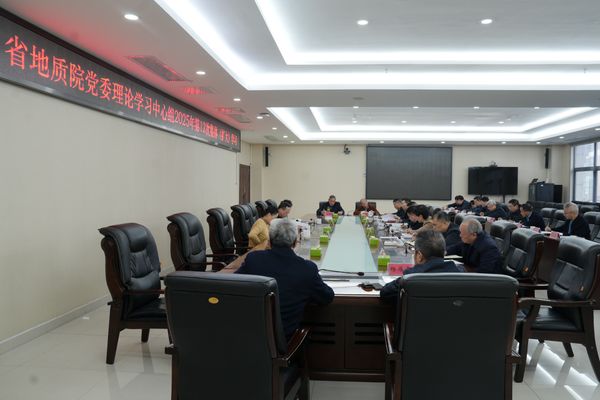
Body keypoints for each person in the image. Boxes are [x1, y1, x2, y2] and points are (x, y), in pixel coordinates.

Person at [235, 219, 334, 338]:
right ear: (295, 242)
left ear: (269, 241)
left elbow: (234, 283)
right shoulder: (307, 269)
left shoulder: (253, 259)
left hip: (248, 335)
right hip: (284, 340)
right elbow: (327, 297)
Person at [380, 230, 463, 303]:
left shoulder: (411, 277)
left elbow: (385, 293)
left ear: (419, 256)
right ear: (444, 253)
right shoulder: (460, 274)